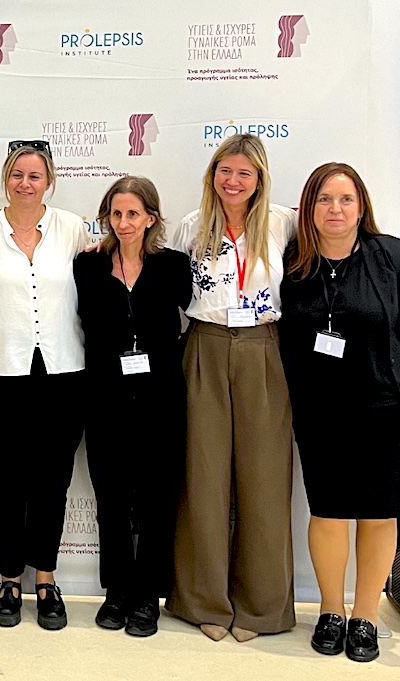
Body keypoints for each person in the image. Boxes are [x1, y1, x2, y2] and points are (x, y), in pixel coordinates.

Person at [165, 133, 297, 642]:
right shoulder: (192, 226)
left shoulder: (283, 224)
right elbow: (154, 270)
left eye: (244, 173)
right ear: (213, 175)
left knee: (265, 480)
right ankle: (204, 602)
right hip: (205, 345)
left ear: (259, 179)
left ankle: (261, 607)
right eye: (225, 171)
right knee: (203, 477)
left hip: (263, 349)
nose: (233, 181)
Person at [0, 140, 89, 630]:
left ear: (49, 182)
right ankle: (9, 580)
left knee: (53, 483)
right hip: (1, 375)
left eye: (34, 176)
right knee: (4, 484)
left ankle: (47, 580)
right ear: (5, 179)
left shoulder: (72, 228)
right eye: (17, 174)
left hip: (64, 376)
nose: (25, 183)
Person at [280, 163, 400, 663]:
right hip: (319, 412)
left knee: (378, 515)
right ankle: (332, 610)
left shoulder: (390, 256)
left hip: (384, 409)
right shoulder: (291, 263)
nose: (335, 209)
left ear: (361, 206)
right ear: (308, 208)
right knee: (328, 512)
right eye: (324, 199)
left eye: (345, 199)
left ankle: (365, 615)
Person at [73, 177, 191, 637]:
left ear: (151, 219)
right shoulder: (88, 265)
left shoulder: (174, 266)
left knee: (158, 499)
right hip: (105, 398)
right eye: (116, 214)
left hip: (161, 398)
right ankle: (117, 590)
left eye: (133, 214)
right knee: (112, 499)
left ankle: (148, 595)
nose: (123, 223)